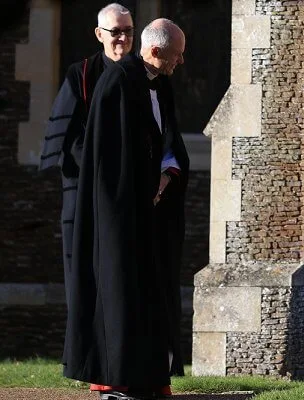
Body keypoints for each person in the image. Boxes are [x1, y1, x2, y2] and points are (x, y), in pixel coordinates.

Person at [63, 18, 189, 400]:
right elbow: (109, 156)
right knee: (117, 290)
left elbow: (167, 140)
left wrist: (167, 173)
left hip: (149, 212)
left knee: (152, 291)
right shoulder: (117, 83)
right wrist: (139, 189)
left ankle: (150, 377)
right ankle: (112, 380)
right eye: (176, 55)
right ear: (155, 51)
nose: (180, 63)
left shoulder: (160, 85)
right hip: (117, 211)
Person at [39, 2, 134, 310]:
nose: (122, 39)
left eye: (128, 32)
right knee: (82, 274)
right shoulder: (79, 75)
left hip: (126, 193)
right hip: (83, 189)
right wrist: (103, 168)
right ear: (99, 34)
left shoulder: (141, 77)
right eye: (115, 32)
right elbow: (68, 140)